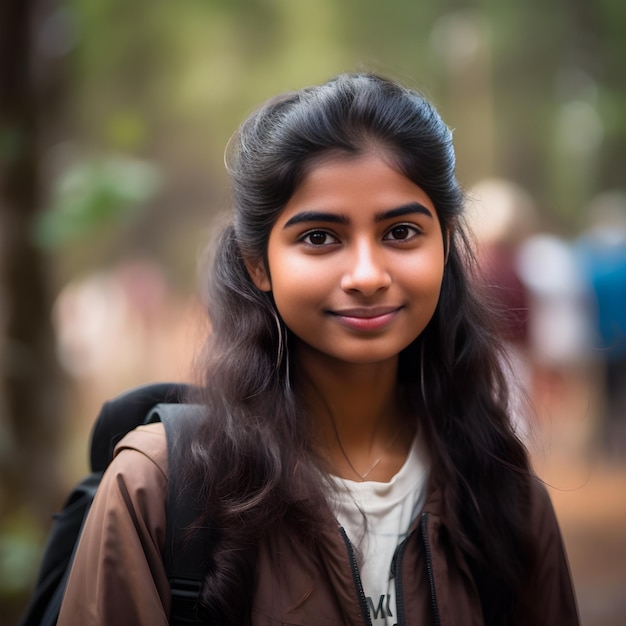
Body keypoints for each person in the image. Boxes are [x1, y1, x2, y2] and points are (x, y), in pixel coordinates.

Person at [57, 73, 579, 625]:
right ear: (259, 263)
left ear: (445, 244)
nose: (366, 275)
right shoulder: (158, 490)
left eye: (401, 232)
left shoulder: (500, 489)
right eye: (319, 237)